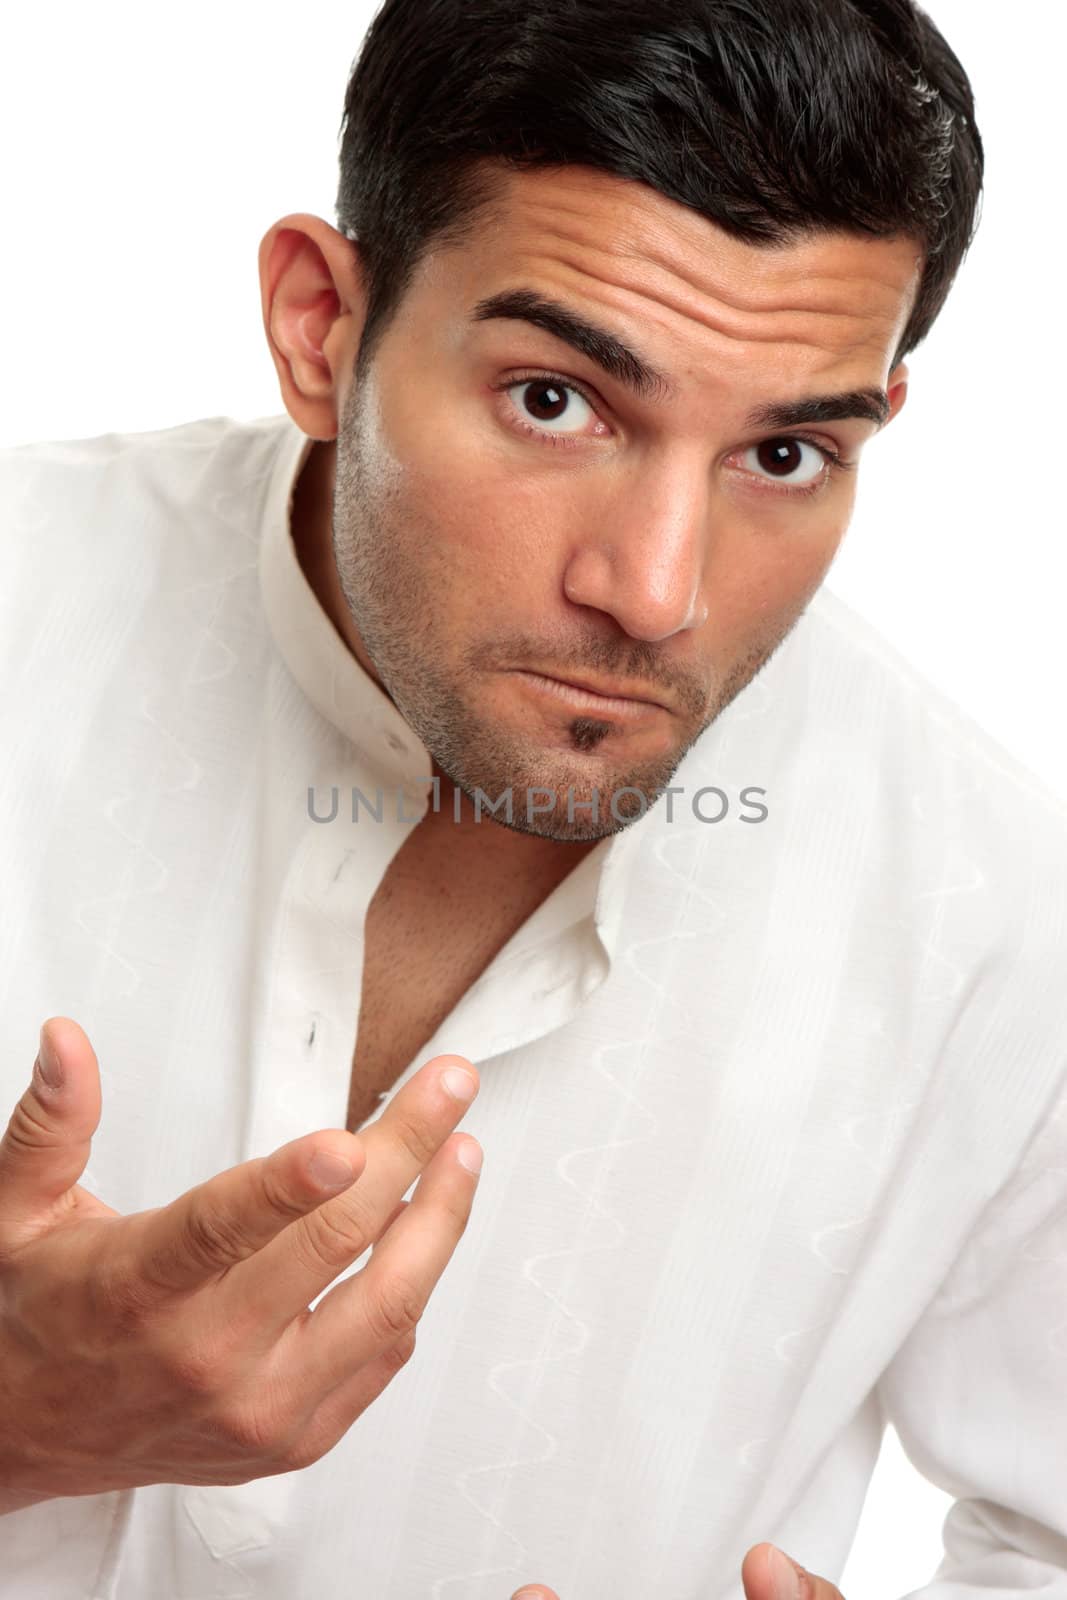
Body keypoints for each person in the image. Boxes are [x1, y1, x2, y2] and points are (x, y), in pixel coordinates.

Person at [1, 0, 1064, 1596]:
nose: (655, 592)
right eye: (556, 401)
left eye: (784, 455)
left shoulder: (997, 917)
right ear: (321, 327)